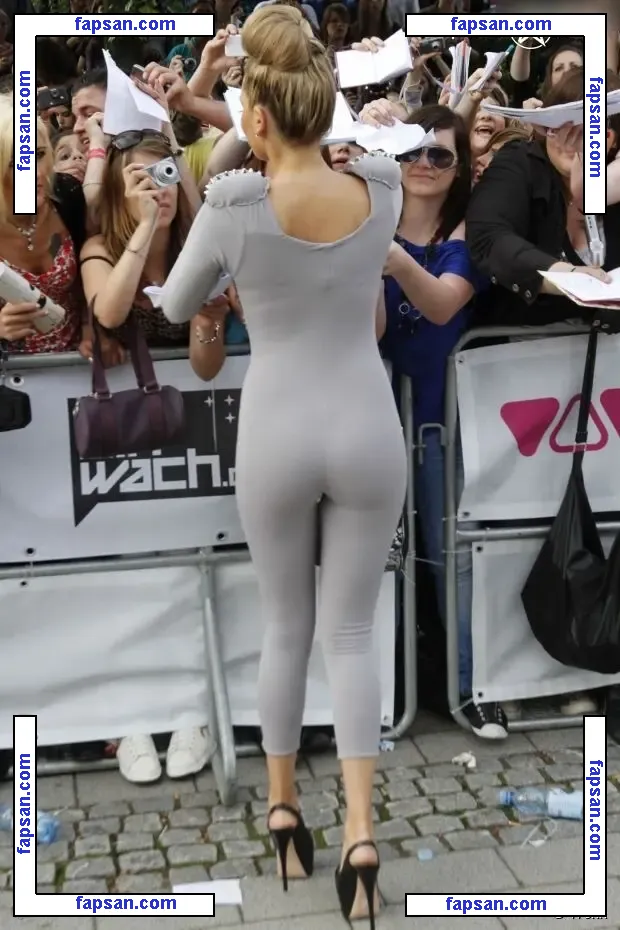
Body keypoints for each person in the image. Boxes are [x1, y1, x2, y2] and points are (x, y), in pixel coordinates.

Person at [161, 7, 406, 924]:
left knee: (284, 626)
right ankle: (360, 835)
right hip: (367, 421)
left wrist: (233, 147)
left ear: (257, 114)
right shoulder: (381, 185)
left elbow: (175, 303)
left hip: (277, 426)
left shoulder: (235, 205)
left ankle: (282, 811)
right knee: (353, 632)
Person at [380, 105, 506, 738]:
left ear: (459, 169)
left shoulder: (469, 235)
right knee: (378, 560)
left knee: (451, 556)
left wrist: (391, 259)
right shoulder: (365, 213)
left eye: (439, 155)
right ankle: (383, 695)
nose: (423, 164)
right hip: (372, 419)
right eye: (411, 151)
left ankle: (468, 688)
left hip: (441, 422)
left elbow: (440, 307)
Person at [0, 97, 88, 356]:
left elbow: (92, 273)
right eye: (15, 163)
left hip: (78, 360)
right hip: (14, 372)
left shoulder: (67, 195)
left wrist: (92, 328)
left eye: (38, 155)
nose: (36, 173)